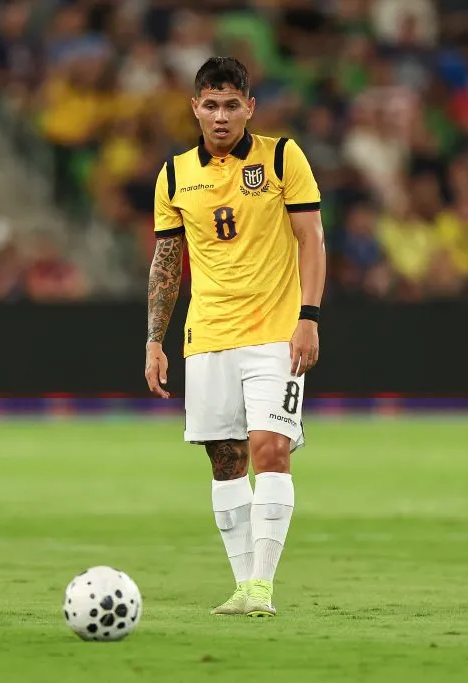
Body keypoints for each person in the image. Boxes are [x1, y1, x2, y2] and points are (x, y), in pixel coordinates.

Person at [143, 57, 326, 617]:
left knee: (269, 449)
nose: (220, 116)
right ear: (194, 107)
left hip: (275, 332)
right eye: (209, 105)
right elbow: (166, 262)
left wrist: (309, 315)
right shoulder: (174, 175)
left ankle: (263, 589)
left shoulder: (281, 156)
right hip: (208, 337)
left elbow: (311, 236)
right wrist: (155, 339)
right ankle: (244, 585)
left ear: (250, 107)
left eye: (231, 105)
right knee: (225, 460)